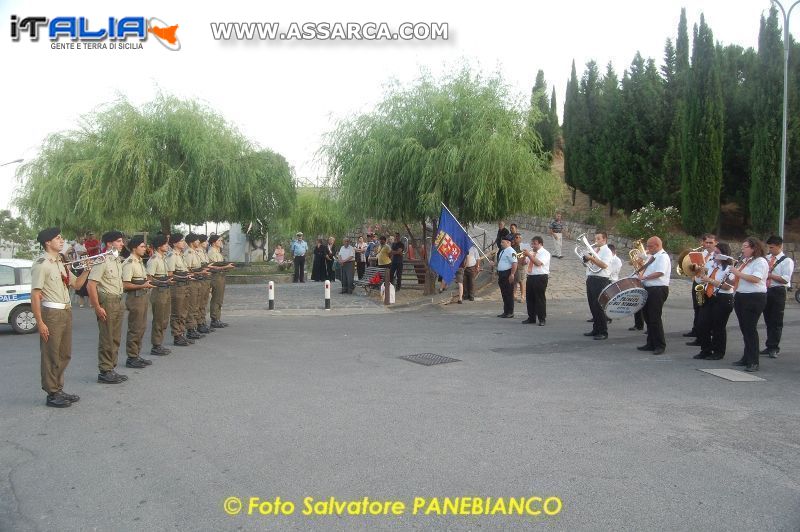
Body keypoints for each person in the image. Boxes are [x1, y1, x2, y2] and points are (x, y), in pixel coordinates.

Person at [31, 227, 90, 407]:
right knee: (51, 354)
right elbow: (34, 295)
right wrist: (40, 322)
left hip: (65, 311)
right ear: (48, 242)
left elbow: (77, 284)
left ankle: (58, 387)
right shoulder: (42, 264)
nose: (62, 240)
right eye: (58, 238)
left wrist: (87, 270)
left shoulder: (60, 263)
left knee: (64, 353)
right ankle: (51, 393)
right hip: (52, 313)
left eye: (61, 237)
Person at [87, 231, 128, 384]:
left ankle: (111, 368)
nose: (122, 244)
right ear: (109, 244)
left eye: (121, 241)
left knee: (115, 337)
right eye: (118, 241)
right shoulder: (102, 260)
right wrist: (97, 306)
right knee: (107, 337)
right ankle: (105, 371)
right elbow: (91, 285)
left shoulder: (117, 260)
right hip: (107, 301)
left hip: (117, 300)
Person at [730, 237, 769, 372]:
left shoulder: (760, 262)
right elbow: (735, 278)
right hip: (741, 295)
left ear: (754, 248)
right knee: (744, 328)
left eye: (745, 246)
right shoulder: (746, 261)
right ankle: (746, 357)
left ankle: (753, 361)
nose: (742, 249)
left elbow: (755, 278)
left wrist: (737, 273)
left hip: (754, 297)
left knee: (750, 329)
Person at [694, 243, 735, 360]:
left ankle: (718, 352)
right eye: (714, 253)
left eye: (717, 253)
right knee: (702, 324)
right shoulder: (711, 264)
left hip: (722, 298)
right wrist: (699, 272)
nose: (714, 255)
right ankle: (705, 349)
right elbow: (700, 280)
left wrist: (709, 280)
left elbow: (727, 286)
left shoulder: (729, 269)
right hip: (708, 296)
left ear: (724, 255)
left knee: (718, 326)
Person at [121, 236, 154, 369]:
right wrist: (143, 286)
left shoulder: (139, 261)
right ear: (134, 248)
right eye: (142, 246)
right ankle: (132, 357)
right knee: (135, 328)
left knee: (141, 327)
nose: (144, 248)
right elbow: (125, 285)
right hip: (135, 298)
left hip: (142, 297)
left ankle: (136, 354)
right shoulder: (129, 263)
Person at [760, 235, 795, 359]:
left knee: (776, 320)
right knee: (768, 319)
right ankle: (769, 344)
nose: (770, 250)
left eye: (772, 247)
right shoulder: (767, 258)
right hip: (766, 290)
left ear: (780, 246)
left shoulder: (787, 261)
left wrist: (770, 275)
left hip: (778, 290)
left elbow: (785, 279)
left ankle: (774, 347)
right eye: (769, 247)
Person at [636, 236, 671, 355]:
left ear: (657, 245)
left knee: (655, 318)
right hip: (649, 288)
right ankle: (650, 343)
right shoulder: (653, 256)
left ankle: (660, 345)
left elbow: (660, 273)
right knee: (647, 317)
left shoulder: (662, 257)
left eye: (649, 246)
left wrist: (644, 277)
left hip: (658, 289)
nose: (647, 248)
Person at [685, 233, 717, 341]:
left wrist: (703, 269)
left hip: (707, 284)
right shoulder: (701, 254)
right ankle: (696, 330)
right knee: (697, 307)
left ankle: (704, 333)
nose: (708, 245)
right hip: (698, 282)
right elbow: (694, 266)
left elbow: (714, 270)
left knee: (704, 309)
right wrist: (693, 267)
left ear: (715, 243)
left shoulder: (716, 256)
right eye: (706, 242)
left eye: (710, 243)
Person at [582, 231, 612, 340]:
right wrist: (585, 259)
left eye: (598, 239)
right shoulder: (594, 250)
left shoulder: (607, 251)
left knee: (599, 306)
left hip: (600, 279)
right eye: (595, 239)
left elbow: (604, 265)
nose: (596, 241)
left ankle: (603, 331)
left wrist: (591, 258)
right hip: (591, 278)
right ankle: (596, 329)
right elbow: (589, 264)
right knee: (592, 305)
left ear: (604, 240)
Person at [146, 234, 172, 356]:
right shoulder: (154, 259)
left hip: (166, 290)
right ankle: (156, 345)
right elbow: (149, 278)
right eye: (165, 244)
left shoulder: (163, 258)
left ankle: (159, 343)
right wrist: (163, 282)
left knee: (165, 319)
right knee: (159, 319)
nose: (167, 246)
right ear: (159, 246)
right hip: (159, 291)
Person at [167, 233, 192, 347]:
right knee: (177, 312)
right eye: (181, 241)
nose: (183, 243)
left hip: (184, 285)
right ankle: (177, 335)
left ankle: (182, 333)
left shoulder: (180, 255)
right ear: (175, 243)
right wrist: (183, 277)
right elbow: (170, 274)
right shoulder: (172, 255)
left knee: (184, 311)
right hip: (177, 287)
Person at [208, 234, 235, 328]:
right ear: (214, 242)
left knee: (219, 298)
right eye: (219, 240)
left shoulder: (217, 252)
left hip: (221, 275)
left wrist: (225, 267)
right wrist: (225, 267)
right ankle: (214, 319)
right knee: (216, 298)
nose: (221, 242)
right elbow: (212, 266)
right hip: (216, 277)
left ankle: (217, 318)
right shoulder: (212, 252)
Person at [522, 236, 550, 326]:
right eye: (532, 243)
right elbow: (523, 263)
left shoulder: (545, 253)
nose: (532, 245)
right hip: (530, 276)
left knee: (539, 298)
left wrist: (529, 255)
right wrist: (523, 256)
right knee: (529, 298)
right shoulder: (531, 252)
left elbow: (538, 263)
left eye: (535, 244)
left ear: (540, 244)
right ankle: (531, 317)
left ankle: (542, 319)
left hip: (540, 277)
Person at [183, 234, 206, 339]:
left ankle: (194, 327)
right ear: (192, 242)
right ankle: (190, 329)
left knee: (196, 304)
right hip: (192, 282)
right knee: (192, 305)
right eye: (197, 240)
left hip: (198, 280)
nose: (198, 242)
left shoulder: (195, 252)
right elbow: (187, 270)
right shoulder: (188, 253)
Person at [493, 234, 518, 318]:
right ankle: (506, 311)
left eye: (503, 242)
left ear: (508, 242)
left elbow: (514, 263)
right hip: (502, 274)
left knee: (508, 293)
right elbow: (501, 262)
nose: (501, 244)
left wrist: (512, 274)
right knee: (504, 293)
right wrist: (495, 264)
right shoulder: (503, 251)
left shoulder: (511, 251)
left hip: (507, 273)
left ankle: (510, 312)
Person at [512, 233, 526, 303]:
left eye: (519, 237)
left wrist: (517, 256)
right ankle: (514, 295)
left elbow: (523, 256)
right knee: (514, 282)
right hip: (514, 266)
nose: (517, 239)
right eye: (516, 237)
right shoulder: (512, 247)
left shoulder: (523, 247)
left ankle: (523, 296)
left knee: (521, 282)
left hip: (520, 266)